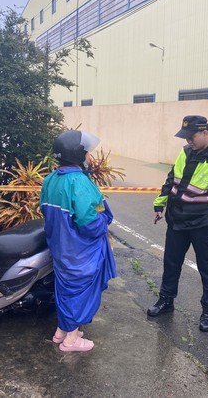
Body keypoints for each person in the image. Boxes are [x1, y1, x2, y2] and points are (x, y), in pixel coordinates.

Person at [147, 115, 208, 332]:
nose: (188, 141)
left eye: (192, 137)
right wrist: (159, 205)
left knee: (207, 270)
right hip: (178, 220)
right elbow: (172, 180)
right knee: (171, 264)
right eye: (185, 137)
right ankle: (166, 300)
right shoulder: (186, 152)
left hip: (203, 224)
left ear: (205, 132)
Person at [40, 130, 117, 352]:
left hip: (60, 247)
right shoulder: (79, 182)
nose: (90, 156)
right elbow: (90, 223)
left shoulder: (51, 179)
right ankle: (71, 340)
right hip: (81, 250)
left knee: (65, 288)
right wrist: (104, 220)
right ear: (77, 154)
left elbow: (45, 211)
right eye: (87, 152)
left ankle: (61, 331)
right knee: (81, 290)